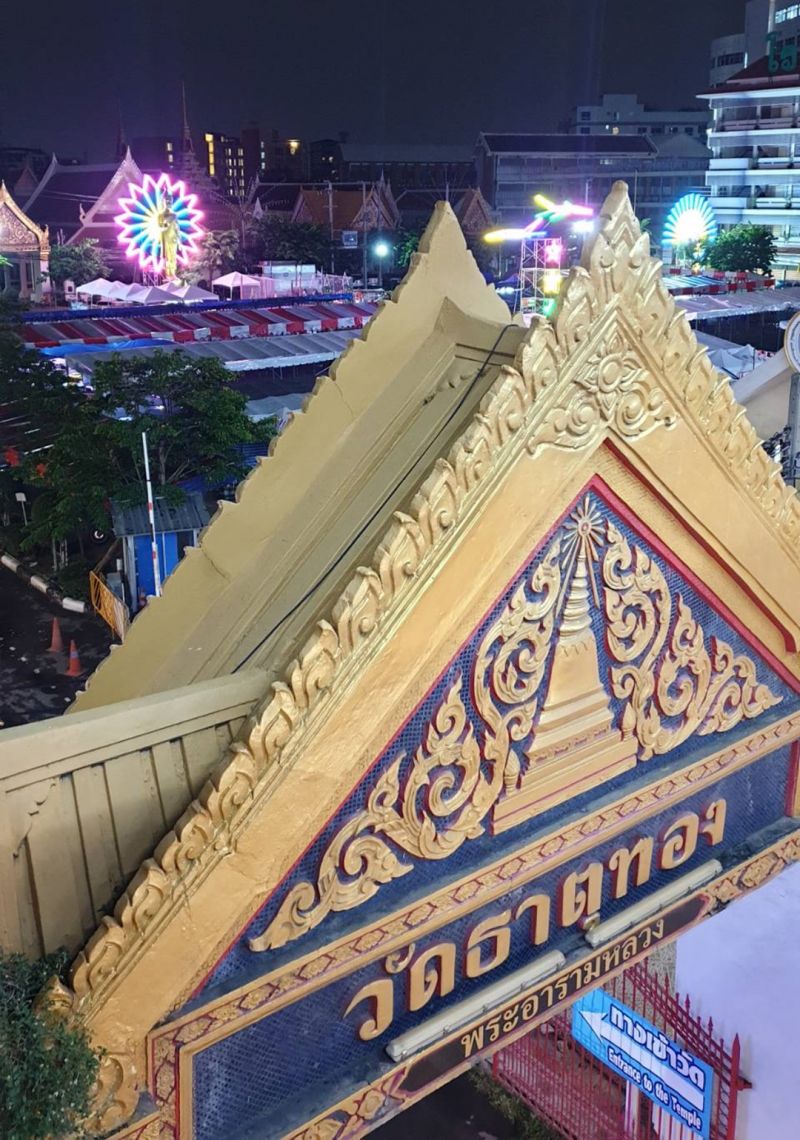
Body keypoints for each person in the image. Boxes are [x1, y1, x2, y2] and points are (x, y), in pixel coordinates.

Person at [157, 191, 181, 280]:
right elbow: (160, 227)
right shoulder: (161, 215)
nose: (169, 203)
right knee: (167, 257)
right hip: (166, 239)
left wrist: (180, 242)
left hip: (173, 239)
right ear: (163, 202)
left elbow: (177, 229)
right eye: (167, 201)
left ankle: (173, 273)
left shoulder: (174, 215)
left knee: (173, 257)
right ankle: (168, 274)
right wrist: (167, 222)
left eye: (170, 201)